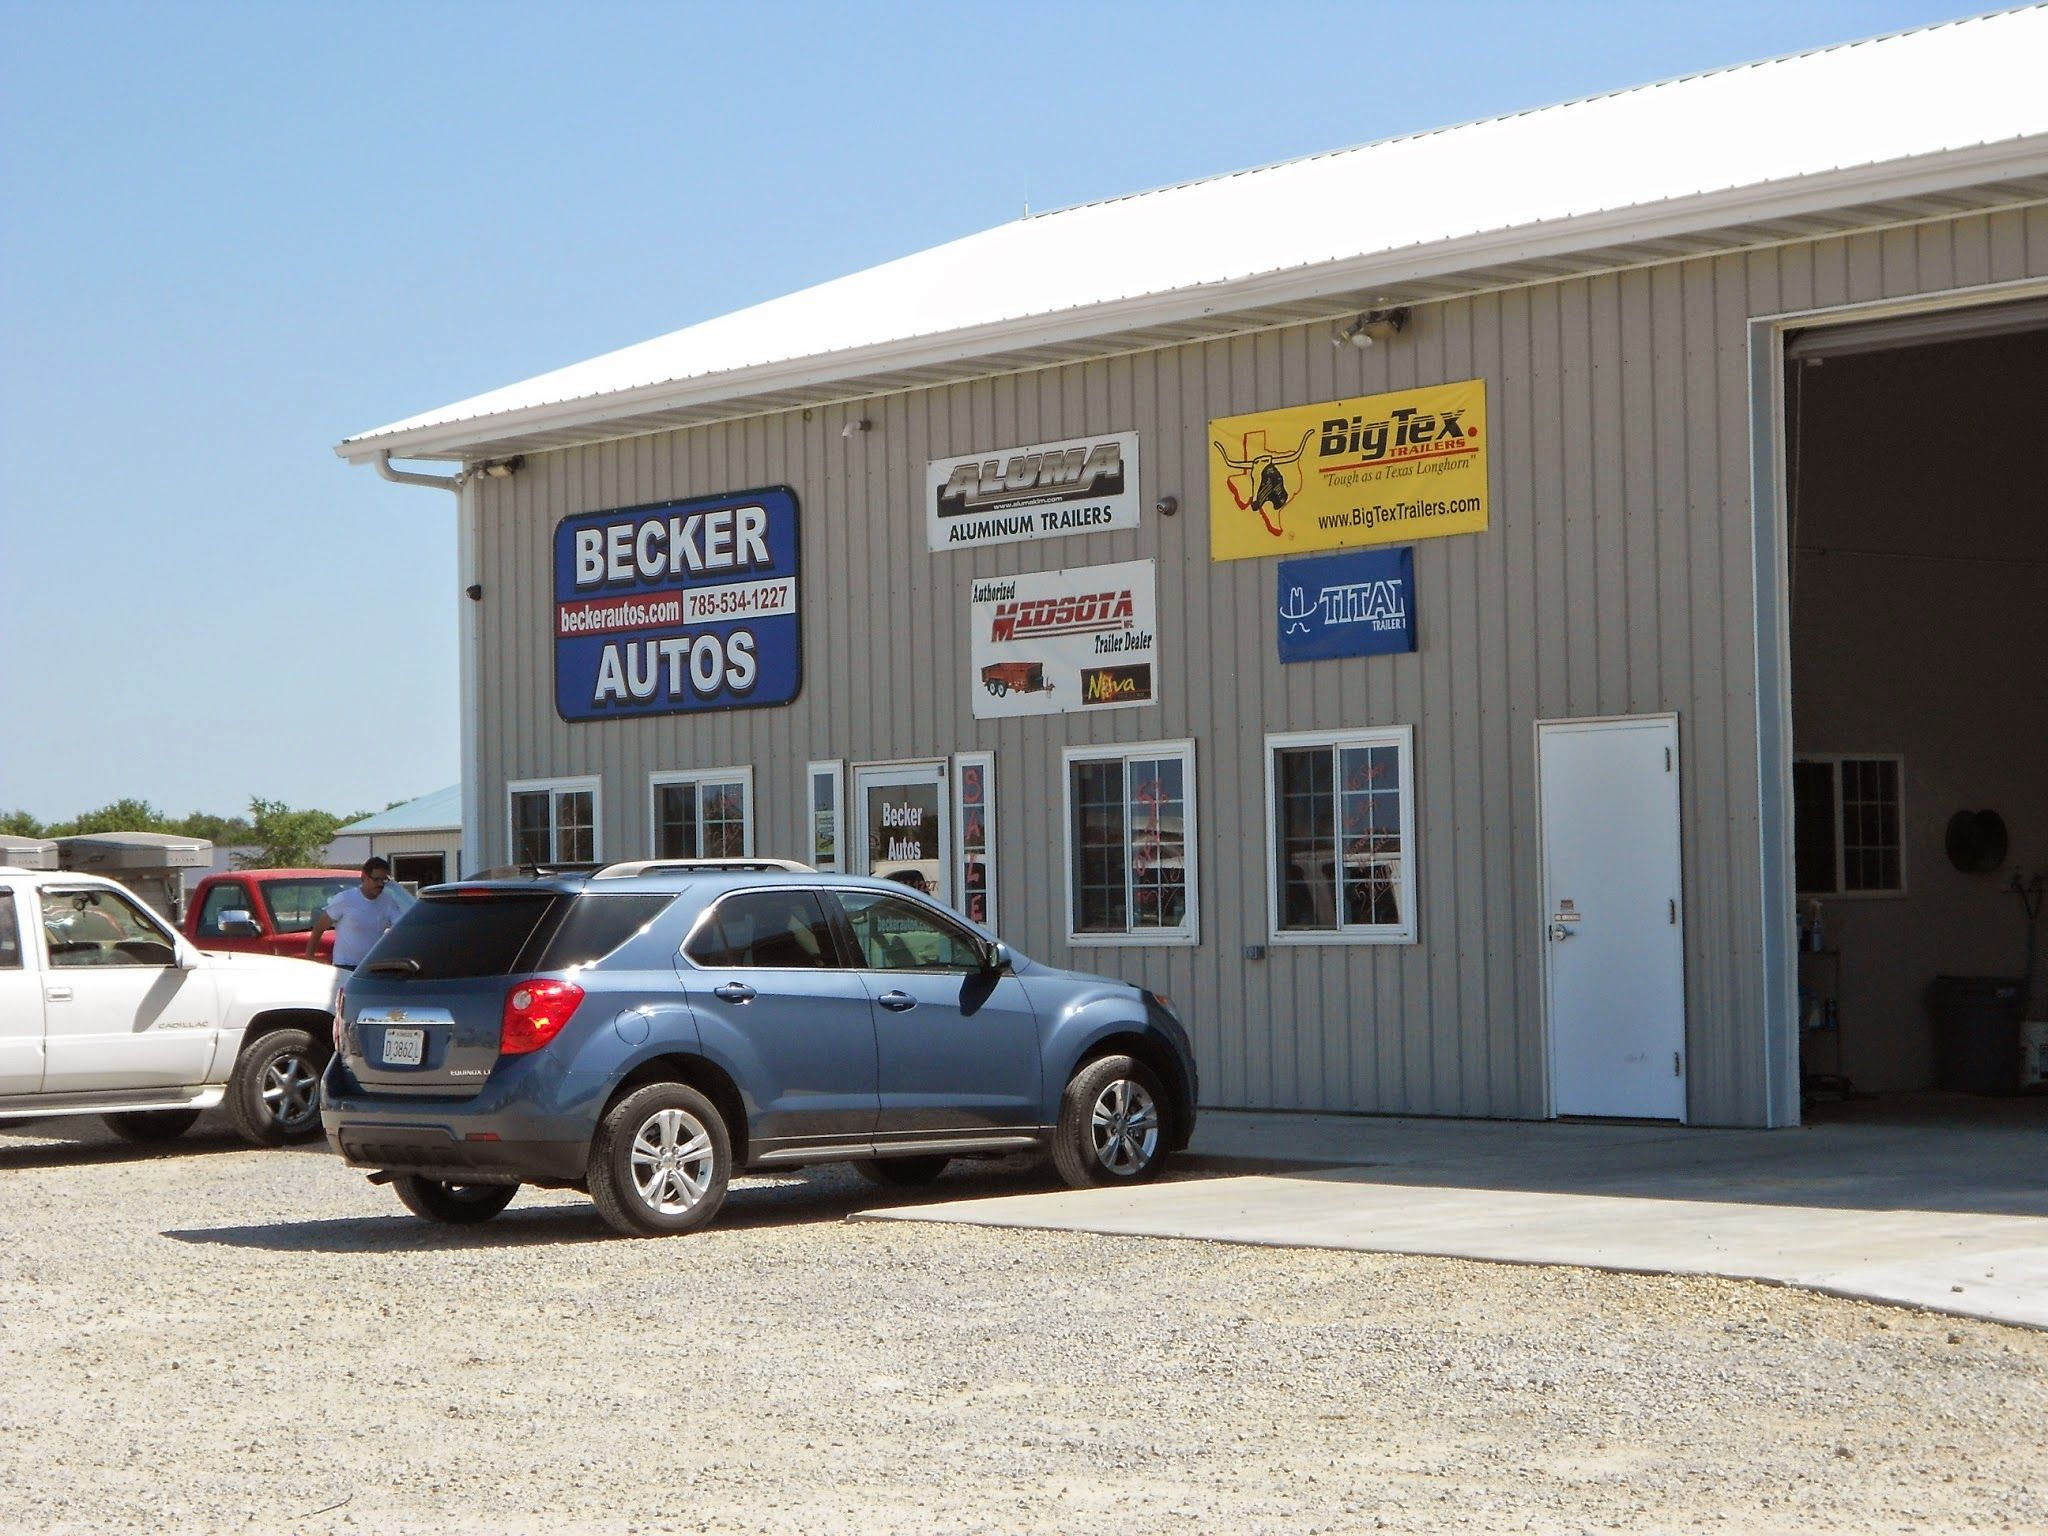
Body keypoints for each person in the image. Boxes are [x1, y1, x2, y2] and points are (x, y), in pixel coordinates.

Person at [308, 858, 407, 970]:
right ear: (364, 876)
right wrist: (310, 957)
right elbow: (319, 928)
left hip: (374, 967)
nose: (380, 884)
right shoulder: (345, 899)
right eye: (376, 879)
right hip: (345, 966)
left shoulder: (388, 901)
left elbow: (402, 927)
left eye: (384, 880)